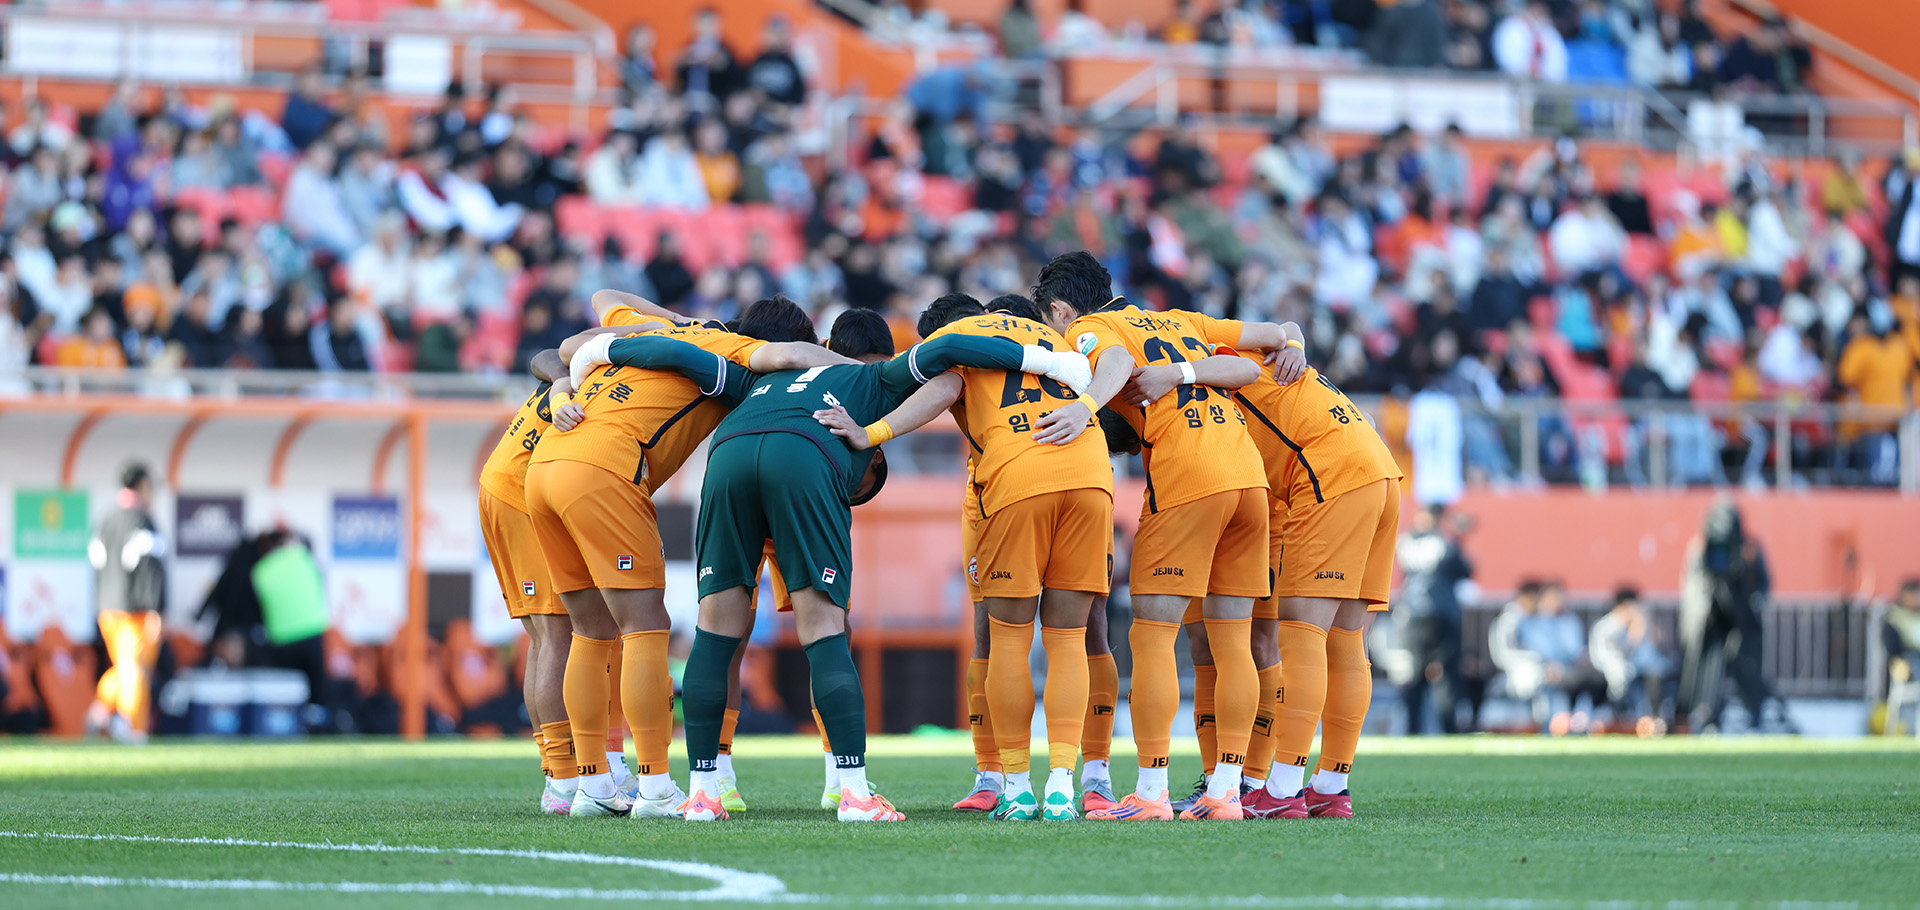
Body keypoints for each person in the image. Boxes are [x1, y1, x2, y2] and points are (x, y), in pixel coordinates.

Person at [569, 307, 1091, 822]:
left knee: (715, 629)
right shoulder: (874, 378)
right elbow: (951, 346)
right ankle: (853, 793)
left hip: (728, 456)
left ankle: (703, 794)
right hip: (802, 458)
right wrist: (1051, 363)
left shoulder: (758, 372)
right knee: (824, 628)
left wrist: (594, 351)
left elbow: (673, 351)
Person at [530, 294, 843, 818]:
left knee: (590, 631)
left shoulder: (665, 329)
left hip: (544, 466)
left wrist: (668, 322)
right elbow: (788, 356)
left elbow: (596, 308)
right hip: (604, 467)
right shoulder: (734, 348)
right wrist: (871, 371)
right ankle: (655, 788)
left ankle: (593, 785)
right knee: (645, 626)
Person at [817, 293, 1114, 821]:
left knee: (1006, 638)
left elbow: (943, 389)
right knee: (1070, 638)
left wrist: (871, 433)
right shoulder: (1048, 334)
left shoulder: (957, 343)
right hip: (1092, 473)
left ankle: (1017, 787)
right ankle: (1064, 785)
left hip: (1018, 475)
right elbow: (1115, 361)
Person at [1028, 251, 1277, 821]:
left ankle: (1151, 793)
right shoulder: (1179, 319)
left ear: (1061, 311)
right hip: (1248, 477)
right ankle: (1226, 793)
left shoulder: (1093, 328)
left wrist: (1084, 407)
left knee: (1153, 636)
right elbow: (1267, 345)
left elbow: (1115, 360)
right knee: (1233, 641)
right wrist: (1295, 344)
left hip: (1189, 475)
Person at [476, 345, 580, 813]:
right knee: (556, 635)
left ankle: (556, 773)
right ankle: (562, 780)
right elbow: (545, 355)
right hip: (520, 493)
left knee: (543, 638)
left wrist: (559, 380)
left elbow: (544, 356)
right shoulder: (617, 361)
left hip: (501, 484)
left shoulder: (588, 357)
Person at [1678, 499, 1785, 732]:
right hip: (1709, 618)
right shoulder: (1700, 545)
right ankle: (1705, 714)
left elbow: (1763, 582)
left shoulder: (1750, 547)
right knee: (1707, 669)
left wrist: (1753, 600)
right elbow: (1692, 582)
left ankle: (1755, 712)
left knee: (1747, 666)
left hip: (1741, 617)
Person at [89, 463, 166, 741]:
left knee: (124, 666)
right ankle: (130, 725)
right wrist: (156, 610)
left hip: (107, 609)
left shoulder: (106, 520)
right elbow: (150, 570)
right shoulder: (140, 521)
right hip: (134, 611)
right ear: (142, 485)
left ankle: (100, 710)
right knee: (135, 669)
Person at [1393, 505, 1471, 735]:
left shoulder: (1405, 542)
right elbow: (1464, 570)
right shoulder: (1444, 542)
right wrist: (1457, 537)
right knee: (1446, 676)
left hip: (1413, 617)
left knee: (1414, 677)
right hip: (1442, 617)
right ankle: (1449, 729)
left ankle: (1412, 730)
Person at [1589, 586, 1674, 730]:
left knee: (1656, 675)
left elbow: (1648, 657)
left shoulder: (1639, 625)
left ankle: (1655, 720)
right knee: (1620, 679)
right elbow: (1610, 658)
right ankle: (1617, 719)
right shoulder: (1606, 627)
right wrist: (1633, 638)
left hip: (1635, 671)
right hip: (1607, 673)